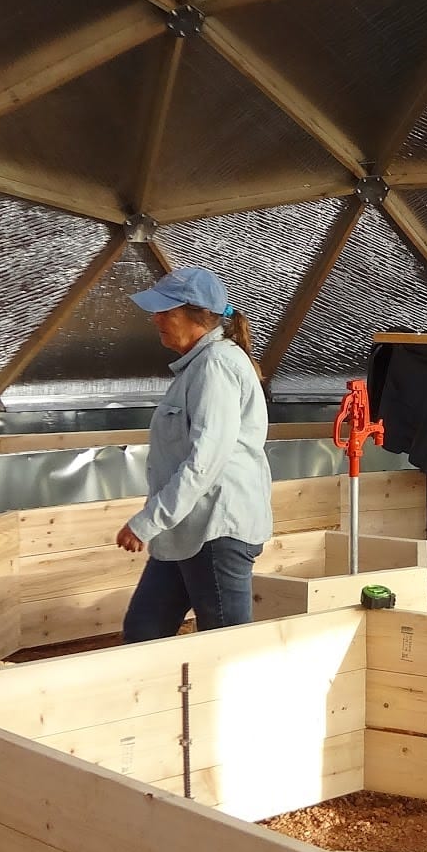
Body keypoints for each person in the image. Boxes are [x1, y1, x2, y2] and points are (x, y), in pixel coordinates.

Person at [114, 267, 274, 642]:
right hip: (189, 529)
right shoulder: (202, 364)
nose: (156, 319)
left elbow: (205, 462)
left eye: (166, 312)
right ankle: (153, 700)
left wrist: (147, 521)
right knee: (144, 630)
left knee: (224, 646)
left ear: (197, 317)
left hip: (215, 532)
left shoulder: (215, 366)